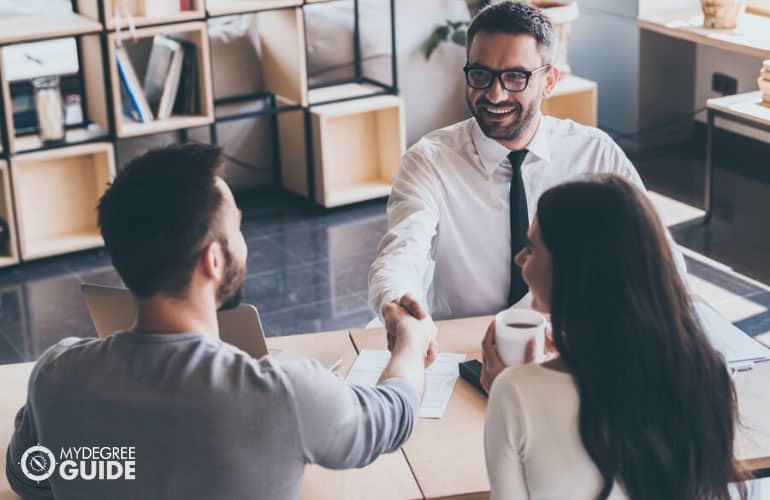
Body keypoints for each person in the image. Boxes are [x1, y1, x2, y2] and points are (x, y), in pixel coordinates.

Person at [6, 143, 437, 499]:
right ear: (214, 260)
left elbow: (27, 477)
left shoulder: (56, 376)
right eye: (238, 230)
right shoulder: (284, 394)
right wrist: (411, 342)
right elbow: (392, 415)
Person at [368, 1, 686, 333]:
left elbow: (659, 253)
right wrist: (398, 301)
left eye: (515, 77)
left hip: (568, 339)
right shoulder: (428, 160)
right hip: (460, 341)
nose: (494, 94)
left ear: (549, 81)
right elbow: (402, 251)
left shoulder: (594, 153)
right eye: (480, 74)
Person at [481, 174, 747, 500]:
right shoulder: (708, 375)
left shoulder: (514, 393)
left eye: (532, 249)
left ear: (573, 272)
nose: (519, 259)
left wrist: (514, 391)